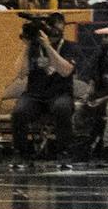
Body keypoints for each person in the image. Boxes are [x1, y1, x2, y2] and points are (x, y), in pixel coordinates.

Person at [10, 14, 75, 163]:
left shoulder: (69, 46)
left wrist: (48, 46)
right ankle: (22, 152)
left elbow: (65, 71)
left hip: (59, 93)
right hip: (35, 94)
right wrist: (27, 47)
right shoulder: (33, 47)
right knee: (19, 112)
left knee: (62, 108)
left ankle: (63, 151)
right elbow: (20, 73)